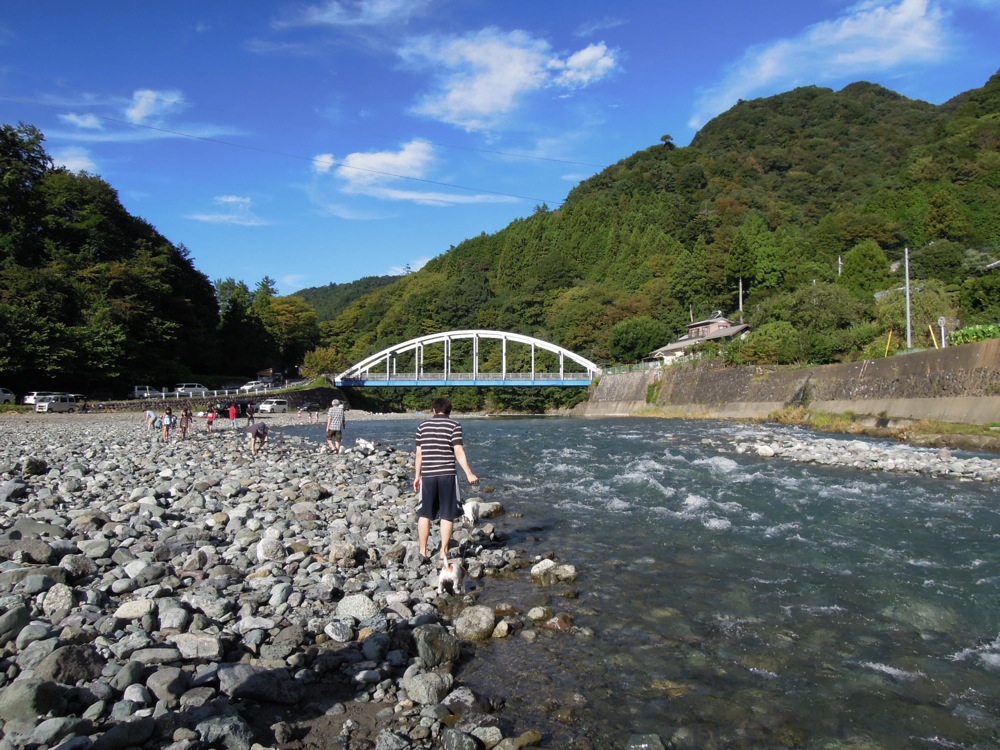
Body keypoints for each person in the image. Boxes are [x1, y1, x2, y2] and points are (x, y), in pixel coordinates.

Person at [413, 397, 479, 563]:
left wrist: (417, 476)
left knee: (424, 513)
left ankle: (423, 551)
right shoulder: (454, 425)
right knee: (447, 514)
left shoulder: (422, 426)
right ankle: (443, 552)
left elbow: (419, 454)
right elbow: (458, 451)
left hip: (428, 475)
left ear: (433, 410)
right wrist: (469, 473)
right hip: (447, 475)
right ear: (450, 410)